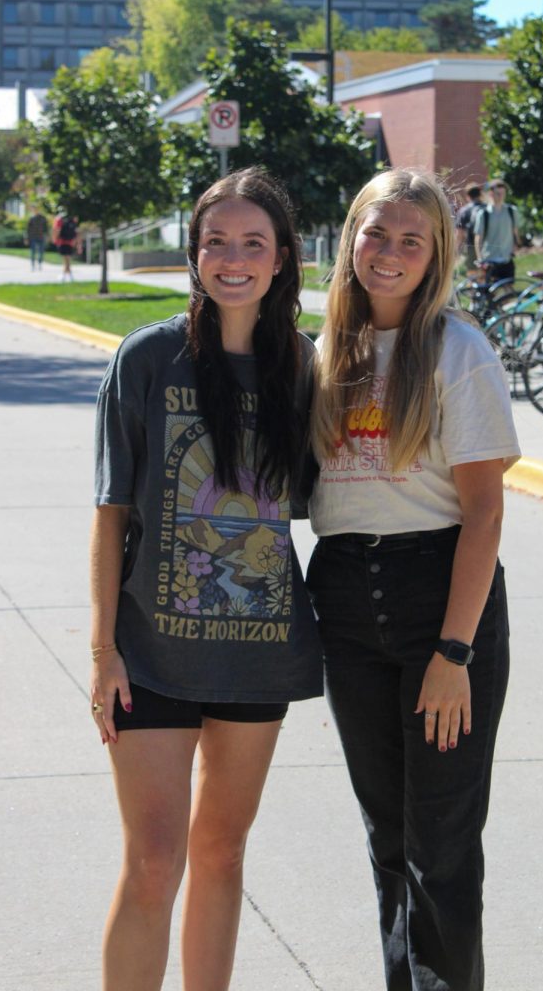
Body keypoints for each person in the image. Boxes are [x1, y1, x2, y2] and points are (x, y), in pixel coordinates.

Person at [90, 167, 322, 991]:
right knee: (155, 861)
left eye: (252, 243)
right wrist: (101, 652)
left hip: (258, 654)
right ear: (194, 255)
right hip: (150, 656)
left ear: (282, 258)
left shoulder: (304, 365)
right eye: (215, 241)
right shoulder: (149, 357)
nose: (233, 257)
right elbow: (112, 509)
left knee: (221, 853)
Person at [308, 168, 520, 991]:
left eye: (410, 240)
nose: (389, 253)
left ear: (436, 255)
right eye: (376, 233)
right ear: (349, 237)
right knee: (387, 838)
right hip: (346, 600)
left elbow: (486, 517)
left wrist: (454, 652)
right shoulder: (327, 351)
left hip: (441, 595)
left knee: (440, 846)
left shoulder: (458, 350)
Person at [474, 178, 520, 285]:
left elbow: (515, 232)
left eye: (502, 193)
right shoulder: (483, 214)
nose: (500, 196)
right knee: (491, 293)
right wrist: (479, 258)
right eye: (497, 193)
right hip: (490, 259)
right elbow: (478, 237)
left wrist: (516, 246)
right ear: (490, 193)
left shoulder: (511, 211)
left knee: (508, 292)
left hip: (506, 259)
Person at [455, 181, 484, 272]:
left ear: (468, 196)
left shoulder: (464, 211)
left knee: (472, 273)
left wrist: (457, 250)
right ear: (480, 194)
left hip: (471, 246)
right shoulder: (487, 208)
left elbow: (460, 234)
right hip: (489, 246)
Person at [53, 210, 78, 281]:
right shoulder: (71, 219)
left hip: (62, 241)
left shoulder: (59, 219)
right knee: (67, 259)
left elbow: (57, 230)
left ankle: (66, 276)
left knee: (66, 260)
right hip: (70, 241)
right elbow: (76, 231)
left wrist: (55, 239)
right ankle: (69, 275)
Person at [26, 206, 47, 271]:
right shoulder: (31, 218)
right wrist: (26, 238)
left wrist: (47, 236)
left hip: (41, 237)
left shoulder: (43, 218)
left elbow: (46, 228)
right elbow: (28, 229)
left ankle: (40, 264)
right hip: (33, 237)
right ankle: (32, 265)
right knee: (33, 251)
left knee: (41, 252)